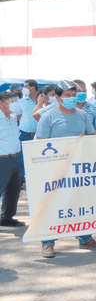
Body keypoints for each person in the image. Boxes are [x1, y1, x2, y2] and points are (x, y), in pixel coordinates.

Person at [36, 80, 96, 258]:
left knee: (80, 203)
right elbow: (41, 143)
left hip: (79, 168)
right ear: (57, 97)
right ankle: (48, 243)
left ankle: (85, 238)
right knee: (53, 205)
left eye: (74, 96)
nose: (72, 99)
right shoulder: (48, 116)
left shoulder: (82, 115)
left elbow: (90, 136)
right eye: (67, 96)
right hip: (55, 169)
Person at [0, 91, 25, 228]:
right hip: (2, 159)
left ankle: (7, 217)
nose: (14, 102)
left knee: (14, 189)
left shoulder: (12, 116)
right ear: (1, 102)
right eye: (11, 100)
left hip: (15, 157)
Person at [13, 79, 39, 183]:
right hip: (23, 134)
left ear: (33, 88)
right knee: (22, 160)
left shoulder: (42, 100)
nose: (24, 89)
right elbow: (17, 116)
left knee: (37, 159)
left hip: (38, 135)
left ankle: (35, 181)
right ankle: (20, 181)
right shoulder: (22, 101)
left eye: (25, 86)